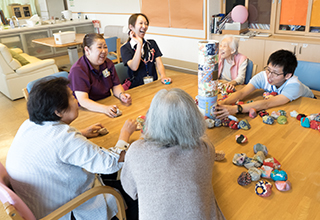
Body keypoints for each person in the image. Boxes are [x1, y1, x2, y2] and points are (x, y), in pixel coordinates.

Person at [6, 77, 137, 220]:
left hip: (41, 203)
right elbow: (110, 163)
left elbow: (50, 144)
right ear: (58, 111)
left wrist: (82, 133)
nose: (76, 100)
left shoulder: (28, 125)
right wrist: (125, 135)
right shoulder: (64, 138)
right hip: (66, 211)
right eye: (72, 97)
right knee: (135, 191)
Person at [120, 88, 226, 220]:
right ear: (195, 119)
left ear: (151, 121)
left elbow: (131, 191)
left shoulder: (136, 151)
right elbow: (201, 136)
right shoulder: (206, 149)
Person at [214, 49, 314, 119]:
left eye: (275, 73)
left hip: (308, 104)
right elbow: (242, 92)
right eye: (268, 70)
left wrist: (236, 109)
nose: (269, 76)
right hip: (285, 101)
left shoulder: (294, 86)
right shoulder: (263, 76)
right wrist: (224, 103)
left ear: (287, 76)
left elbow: (267, 103)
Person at [69, 33, 131, 118]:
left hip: (107, 104)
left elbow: (116, 85)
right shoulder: (78, 70)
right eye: (99, 47)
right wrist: (104, 108)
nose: (104, 51)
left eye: (105, 47)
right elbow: (83, 100)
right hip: (86, 111)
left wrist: (121, 95)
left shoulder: (108, 63)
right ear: (87, 50)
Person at [120, 13, 171, 89]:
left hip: (153, 84)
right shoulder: (125, 48)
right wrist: (139, 44)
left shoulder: (152, 43)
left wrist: (163, 76)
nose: (144, 26)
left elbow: (159, 63)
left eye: (146, 24)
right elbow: (134, 67)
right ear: (131, 27)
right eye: (140, 23)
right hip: (136, 88)